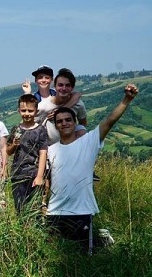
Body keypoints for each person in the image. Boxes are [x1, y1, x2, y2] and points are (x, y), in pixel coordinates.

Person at [46, 84, 138, 252]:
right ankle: (101, 239)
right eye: (60, 121)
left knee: (83, 254)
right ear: (56, 126)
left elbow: (109, 121)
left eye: (68, 120)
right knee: (54, 254)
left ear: (75, 122)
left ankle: (101, 241)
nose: (64, 123)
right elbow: (49, 180)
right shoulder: (51, 150)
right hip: (54, 211)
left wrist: (127, 99)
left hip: (81, 210)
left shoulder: (88, 142)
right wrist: (43, 205)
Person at [6, 95, 48, 215]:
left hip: (33, 174)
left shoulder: (40, 130)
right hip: (17, 174)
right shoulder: (16, 129)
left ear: (36, 111)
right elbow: (8, 152)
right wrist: (14, 145)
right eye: (24, 110)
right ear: (19, 111)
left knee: (34, 208)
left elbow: (43, 153)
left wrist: (40, 176)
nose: (27, 113)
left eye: (30, 111)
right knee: (19, 208)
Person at [35, 68, 87, 145]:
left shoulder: (78, 104)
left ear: (72, 88)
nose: (64, 88)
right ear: (55, 86)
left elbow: (83, 123)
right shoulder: (43, 106)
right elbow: (30, 124)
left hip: (72, 146)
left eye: (67, 85)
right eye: (60, 85)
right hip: (51, 150)